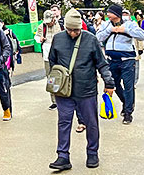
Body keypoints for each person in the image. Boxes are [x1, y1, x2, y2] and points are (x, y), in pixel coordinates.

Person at [48, 9, 115, 171]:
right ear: (65, 28)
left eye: (76, 30)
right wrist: (58, 81)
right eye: (70, 30)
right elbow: (52, 62)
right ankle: (63, 156)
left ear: (81, 27)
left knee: (91, 123)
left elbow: (102, 63)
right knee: (63, 122)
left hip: (86, 90)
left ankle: (92, 152)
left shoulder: (90, 40)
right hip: (64, 91)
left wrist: (109, 82)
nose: (72, 33)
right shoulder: (58, 39)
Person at [97, 4, 144, 125]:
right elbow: (97, 37)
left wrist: (126, 30)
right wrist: (110, 30)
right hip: (111, 59)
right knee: (114, 84)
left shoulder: (129, 23)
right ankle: (125, 101)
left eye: (110, 12)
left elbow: (142, 35)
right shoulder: (106, 24)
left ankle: (128, 113)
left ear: (117, 14)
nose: (108, 14)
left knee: (129, 85)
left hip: (127, 59)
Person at [35, 10, 61, 110]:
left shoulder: (60, 25)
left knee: (61, 76)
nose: (48, 23)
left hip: (59, 54)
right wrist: (40, 39)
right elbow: (36, 36)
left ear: (53, 18)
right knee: (50, 78)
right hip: (47, 55)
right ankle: (54, 101)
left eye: (49, 21)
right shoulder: (42, 26)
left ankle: (63, 97)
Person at [122, 10, 144, 86]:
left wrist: (141, 48)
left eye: (126, 14)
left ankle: (134, 81)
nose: (124, 16)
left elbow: (140, 37)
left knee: (135, 66)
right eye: (123, 14)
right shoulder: (118, 25)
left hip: (134, 49)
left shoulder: (133, 24)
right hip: (123, 52)